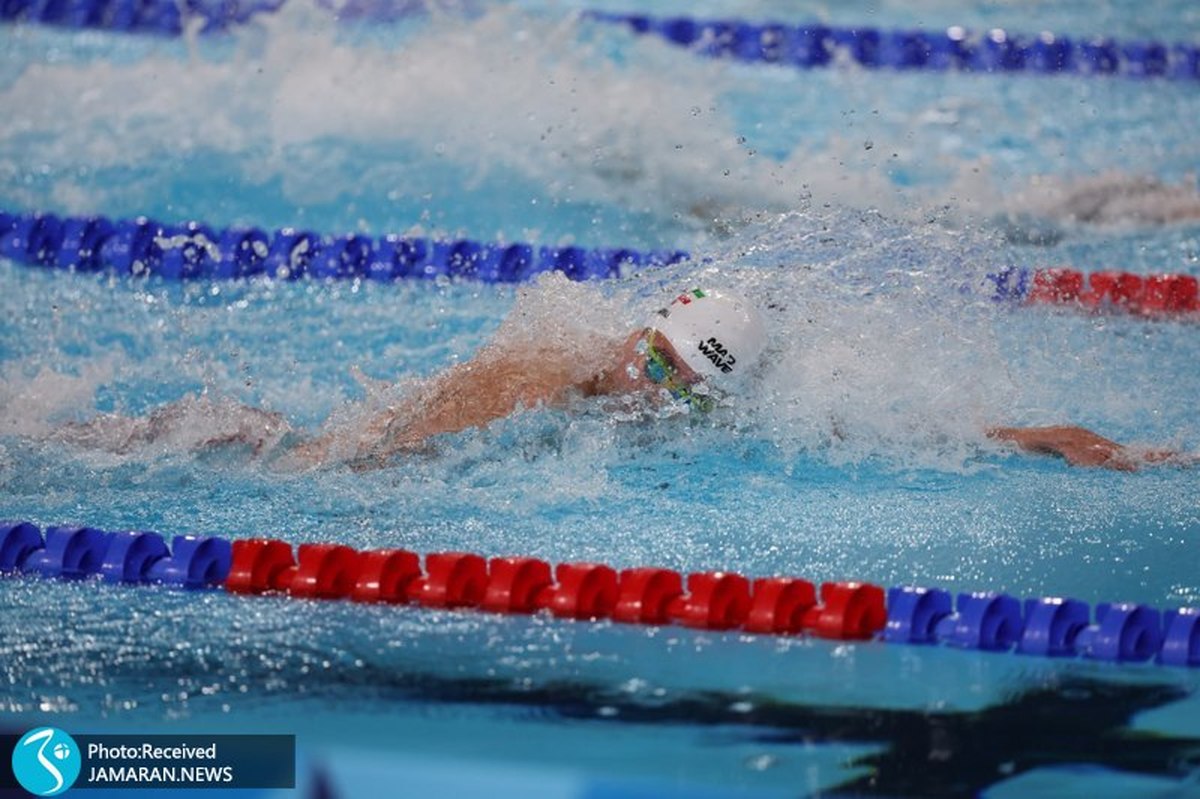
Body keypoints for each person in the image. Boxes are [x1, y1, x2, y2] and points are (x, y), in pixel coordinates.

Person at [54, 287, 1179, 471]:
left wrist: (1051, 436)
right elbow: (359, 460)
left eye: (678, 388)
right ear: (642, 333)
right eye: (652, 361)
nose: (650, 392)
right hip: (298, 447)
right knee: (258, 443)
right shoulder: (542, 374)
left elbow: (886, 432)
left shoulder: (714, 411)